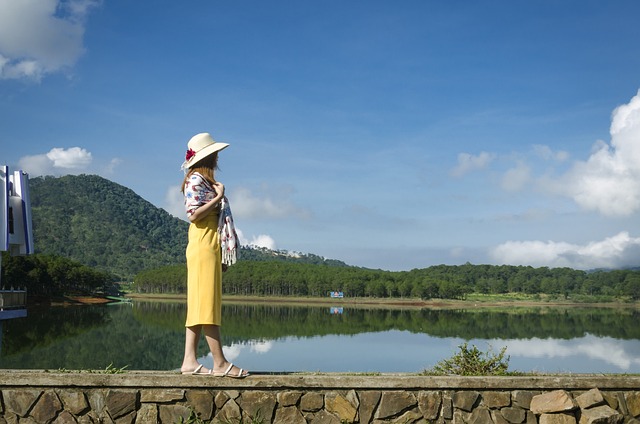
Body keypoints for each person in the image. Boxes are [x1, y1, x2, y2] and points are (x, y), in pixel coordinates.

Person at [178, 132, 248, 378]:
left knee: (200, 303)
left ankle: (189, 360)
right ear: (208, 157)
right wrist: (218, 197)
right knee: (207, 303)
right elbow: (193, 214)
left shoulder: (203, 180)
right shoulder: (196, 180)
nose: (218, 158)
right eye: (215, 154)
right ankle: (219, 363)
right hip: (202, 244)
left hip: (207, 244)